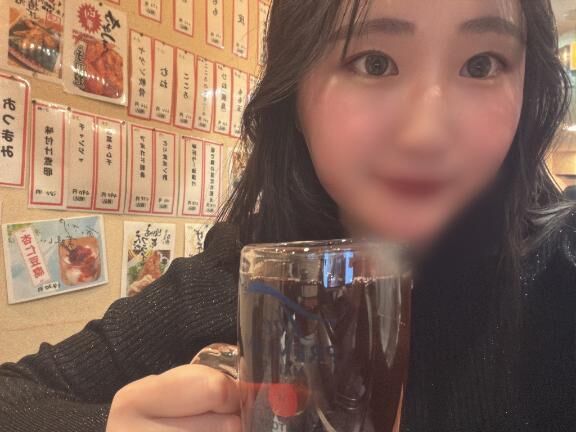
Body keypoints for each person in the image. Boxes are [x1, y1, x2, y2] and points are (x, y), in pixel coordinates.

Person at [1, 0, 575, 430]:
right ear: (293, 90)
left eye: (481, 64)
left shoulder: (559, 275)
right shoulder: (238, 273)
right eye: (375, 62)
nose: (427, 133)